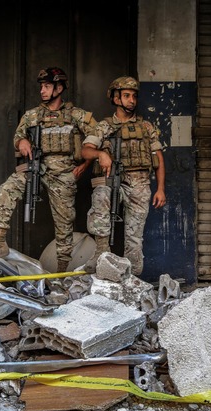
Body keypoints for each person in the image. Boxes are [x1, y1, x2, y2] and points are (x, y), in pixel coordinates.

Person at [0, 67, 97, 273]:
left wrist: (84, 166)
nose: (42, 91)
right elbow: (18, 136)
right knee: (7, 189)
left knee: (64, 225)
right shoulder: (32, 116)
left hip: (63, 173)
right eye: (42, 87)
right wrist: (22, 142)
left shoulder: (76, 115)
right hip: (34, 166)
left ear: (59, 88)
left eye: (47, 86)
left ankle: (62, 271)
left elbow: (96, 139)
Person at [81, 76, 166, 275]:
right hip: (111, 179)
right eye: (126, 96)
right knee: (100, 194)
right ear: (116, 98)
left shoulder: (146, 128)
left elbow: (159, 159)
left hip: (139, 183)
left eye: (134, 96)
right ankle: (102, 252)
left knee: (135, 238)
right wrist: (101, 154)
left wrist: (160, 189)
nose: (132, 101)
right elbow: (85, 151)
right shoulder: (104, 126)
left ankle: (132, 277)